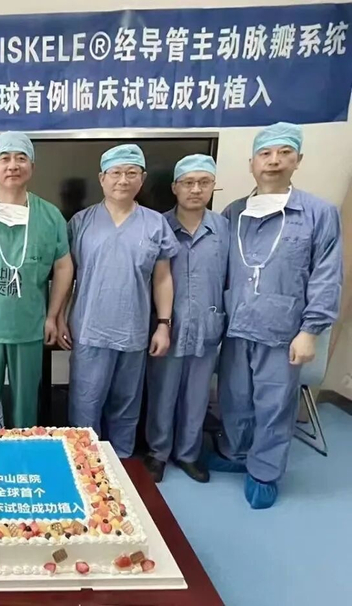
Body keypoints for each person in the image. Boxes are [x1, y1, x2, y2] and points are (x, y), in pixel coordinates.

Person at [212, 122, 342, 509]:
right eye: (265, 154)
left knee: (274, 404)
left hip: (284, 330)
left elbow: (327, 275)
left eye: (284, 152)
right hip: (237, 326)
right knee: (235, 397)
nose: (273, 161)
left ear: (298, 160)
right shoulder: (234, 212)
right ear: (251, 163)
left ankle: (264, 472)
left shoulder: (318, 213)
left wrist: (311, 330)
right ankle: (236, 453)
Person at [58, 144, 179, 457]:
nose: (123, 180)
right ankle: (85, 465)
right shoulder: (81, 222)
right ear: (102, 178)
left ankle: (122, 463)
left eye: (131, 173)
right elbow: (65, 274)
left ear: (142, 179)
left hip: (133, 331)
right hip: (89, 330)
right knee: (85, 404)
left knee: (126, 406)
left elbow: (162, 278)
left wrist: (163, 324)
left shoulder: (155, 224)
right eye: (116, 173)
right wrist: (58, 317)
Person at [0, 132, 74, 429]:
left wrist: (53, 316)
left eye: (21, 158)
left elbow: (64, 267)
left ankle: (22, 453)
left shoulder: (50, 216)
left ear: (32, 167)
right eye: (5, 158)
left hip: (30, 326)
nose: (13, 165)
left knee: (26, 406)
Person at [143, 155, 228, 483]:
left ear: (212, 187)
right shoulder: (157, 226)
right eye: (188, 182)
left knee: (197, 396)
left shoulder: (224, 229)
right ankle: (158, 452)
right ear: (175, 187)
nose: (196, 189)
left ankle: (189, 454)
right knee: (162, 393)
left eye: (204, 182)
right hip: (168, 326)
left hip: (207, 326)